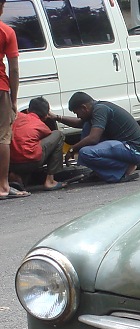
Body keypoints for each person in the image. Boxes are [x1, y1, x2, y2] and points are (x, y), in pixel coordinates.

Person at [51, 92, 140, 183]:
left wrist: (73, 149)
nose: (78, 116)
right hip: (123, 147)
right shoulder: (95, 110)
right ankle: (103, 172)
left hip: (133, 149)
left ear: (84, 107)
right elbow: (79, 123)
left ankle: (122, 170)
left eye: (77, 113)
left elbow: (93, 138)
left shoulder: (100, 109)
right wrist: (57, 117)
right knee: (86, 127)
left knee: (85, 152)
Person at [0, 0, 30, 199]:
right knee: (2, 137)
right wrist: (14, 99)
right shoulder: (7, 32)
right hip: (1, 88)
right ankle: (2, 186)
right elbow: (15, 69)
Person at [10, 96, 66, 191]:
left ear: (28, 110)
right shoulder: (41, 125)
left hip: (10, 163)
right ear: (46, 116)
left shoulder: (16, 116)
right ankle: (50, 181)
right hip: (31, 161)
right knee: (58, 135)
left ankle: (14, 175)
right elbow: (48, 141)